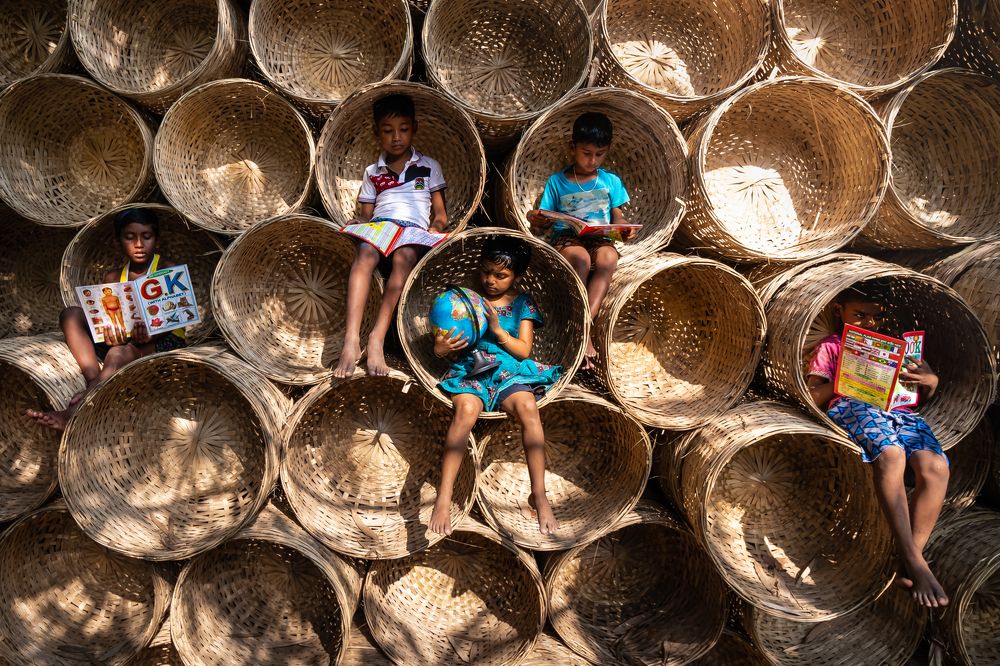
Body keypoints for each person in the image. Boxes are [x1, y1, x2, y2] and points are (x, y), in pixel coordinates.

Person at [806, 284, 949, 608]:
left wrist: (931, 382)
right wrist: (842, 380)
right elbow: (813, 397)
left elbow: (918, 396)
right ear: (838, 311)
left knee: (936, 467)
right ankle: (916, 562)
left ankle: (912, 555)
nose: (869, 324)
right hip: (854, 407)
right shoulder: (832, 346)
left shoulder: (898, 348)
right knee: (892, 454)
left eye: (876, 317)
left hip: (899, 413)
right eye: (860, 315)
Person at [429, 236, 562, 536]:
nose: (490, 280)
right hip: (470, 371)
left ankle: (538, 494)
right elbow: (443, 346)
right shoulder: (466, 302)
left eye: (500, 275)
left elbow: (524, 350)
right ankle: (444, 495)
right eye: (486, 271)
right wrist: (440, 348)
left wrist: (498, 329)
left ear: (517, 276)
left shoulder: (522, 304)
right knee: (464, 411)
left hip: (508, 372)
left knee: (528, 408)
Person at [26, 208, 186, 431]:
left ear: (156, 241)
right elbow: (107, 320)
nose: (139, 244)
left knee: (118, 352)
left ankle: (73, 413)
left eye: (146, 237)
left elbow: (178, 315)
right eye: (129, 237)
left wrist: (149, 333)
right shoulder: (112, 277)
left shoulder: (168, 269)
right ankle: (93, 379)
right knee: (70, 314)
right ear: (118, 242)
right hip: (123, 341)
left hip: (161, 341)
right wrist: (109, 332)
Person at [333, 93, 448, 378]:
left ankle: (377, 338)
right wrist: (361, 222)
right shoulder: (373, 172)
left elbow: (440, 213)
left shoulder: (429, 166)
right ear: (377, 133)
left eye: (404, 129)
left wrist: (438, 226)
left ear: (414, 129)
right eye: (388, 131)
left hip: (412, 229)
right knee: (365, 254)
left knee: (405, 258)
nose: (396, 137)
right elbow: (368, 213)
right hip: (382, 225)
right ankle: (351, 339)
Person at [527, 111, 633, 370]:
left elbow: (618, 217)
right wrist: (537, 218)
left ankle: (583, 325)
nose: (593, 160)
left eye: (600, 154)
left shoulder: (611, 181)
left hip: (600, 236)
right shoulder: (557, 182)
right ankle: (583, 329)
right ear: (572, 147)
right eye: (586, 153)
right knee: (581, 259)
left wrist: (626, 229)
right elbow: (543, 215)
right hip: (567, 237)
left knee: (608, 257)